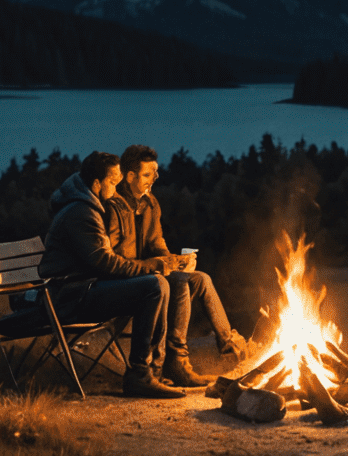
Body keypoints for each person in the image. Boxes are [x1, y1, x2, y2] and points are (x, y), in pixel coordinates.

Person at [39, 150, 184, 399]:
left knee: (158, 283)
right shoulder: (81, 213)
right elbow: (103, 261)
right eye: (112, 181)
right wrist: (150, 266)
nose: (117, 187)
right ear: (97, 184)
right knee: (153, 285)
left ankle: (151, 371)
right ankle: (140, 375)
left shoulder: (88, 207)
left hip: (81, 289)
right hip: (69, 297)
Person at [110, 144, 248, 388]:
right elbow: (115, 259)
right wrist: (159, 265)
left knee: (199, 277)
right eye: (147, 173)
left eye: (156, 172)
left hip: (150, 272)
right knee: (180, 281)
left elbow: (157, 245)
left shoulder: (150, 204)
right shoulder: (114, 207)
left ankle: (228, 344)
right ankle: (176, 363)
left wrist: (175, 261)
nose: (155, 177)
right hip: (127, 281)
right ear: (129, 176)